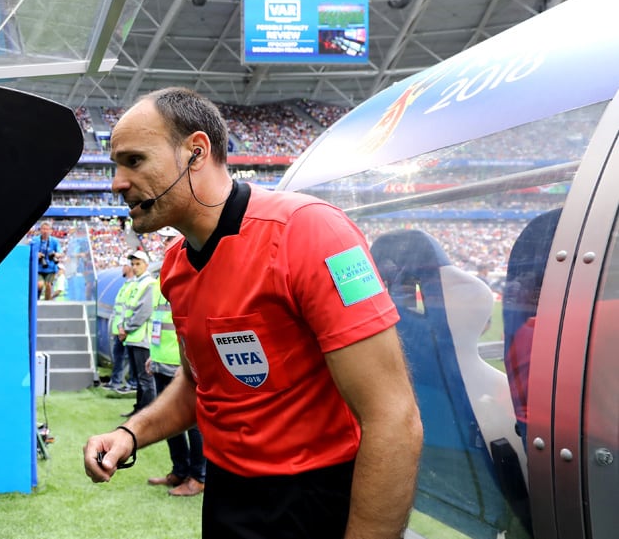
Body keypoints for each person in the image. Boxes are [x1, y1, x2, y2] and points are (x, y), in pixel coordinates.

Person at [83, 87, 422, 539]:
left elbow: (393, 418)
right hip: (229, 499)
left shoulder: (311, 232)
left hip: (316, 500)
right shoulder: (176, 267)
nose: (117, 182)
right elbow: (198, 386)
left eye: (134, 161)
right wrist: (130, 433)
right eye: (115, 165)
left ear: (195, 152)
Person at [146, 275, 206, 497]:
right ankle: (180, 470)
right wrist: (154, 355)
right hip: (162, 360)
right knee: (169, 423)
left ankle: (199, 477)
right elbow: (160, 324)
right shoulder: (164, 283)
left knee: (193, 423)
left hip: (180, 365)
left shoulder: (189, 280)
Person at [119, 249, 157, 417]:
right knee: (139, 379)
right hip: (133, 337)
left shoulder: (148, 283)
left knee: (145, 379)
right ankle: (139, 409)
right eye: (132, 264)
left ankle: (147, 415)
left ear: (146, 265)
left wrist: (126, 328)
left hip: (141, 337)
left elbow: (143, 312)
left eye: (138, 264)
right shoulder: (136, 283)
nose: (134, 267)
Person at [104, 264, 136, 393]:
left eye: (124, 266)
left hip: (127, 329)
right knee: (118, 356)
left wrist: (125, 327)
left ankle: (132, 383)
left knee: (130, 357)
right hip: (120, 328)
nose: (122, 268)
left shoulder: (134, 285)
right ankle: (116, 381)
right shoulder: (126, 285)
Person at [32, 221, 61, 300]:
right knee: (40, 284)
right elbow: (28, 252)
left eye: (47, 229)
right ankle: (36, 300)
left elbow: (60, 253)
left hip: (51, 268)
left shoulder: (54, 241)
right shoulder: (35, 240)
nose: (45, 231)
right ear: (40, 230)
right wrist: (36, 255)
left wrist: (57, 254)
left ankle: (47, 303)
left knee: (48, 286)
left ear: (51, 230)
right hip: (38, 268)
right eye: (43, 229)